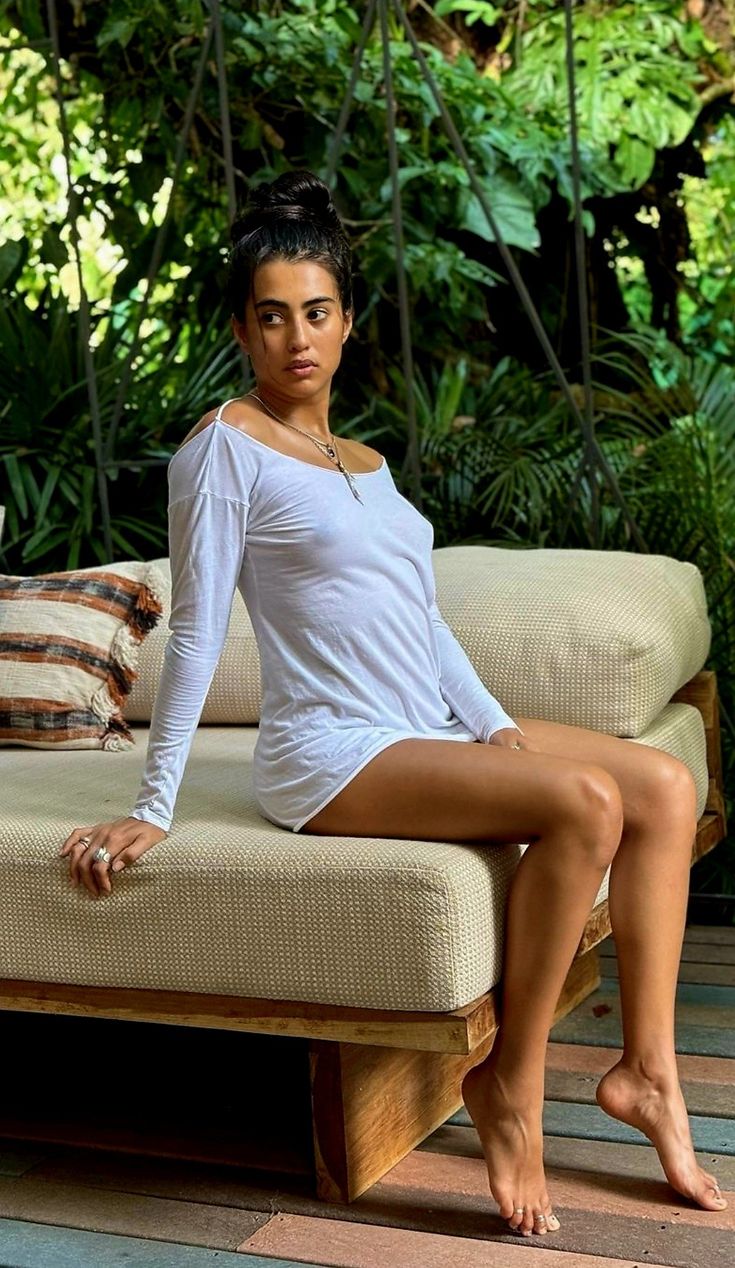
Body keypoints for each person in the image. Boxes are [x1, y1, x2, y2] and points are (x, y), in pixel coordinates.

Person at [60, 169, 727, 1235]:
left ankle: (649, 1071)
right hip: (330, 753)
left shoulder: (364, 464)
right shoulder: (222, 447)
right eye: (271, 316)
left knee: (659, 781)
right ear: (243, 329)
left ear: (348, 319)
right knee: (587, 803)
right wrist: (155, 800)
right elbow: (192, 629)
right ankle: (508, 1078)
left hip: (420, 721)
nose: (297, 337)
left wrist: (495, 725)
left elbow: (424, 626)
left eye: (316, 312)